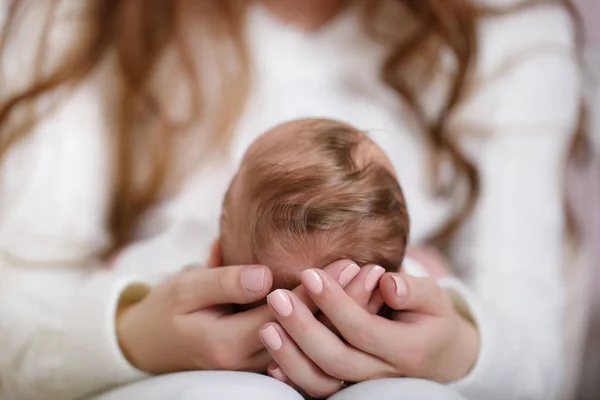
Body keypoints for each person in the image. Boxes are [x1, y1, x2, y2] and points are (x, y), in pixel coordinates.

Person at [0, 1, 589, 400]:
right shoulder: (79, 17)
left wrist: (461, 346)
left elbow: (535, 360)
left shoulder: (509, 23)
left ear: (215, 250)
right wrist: (129, 333)